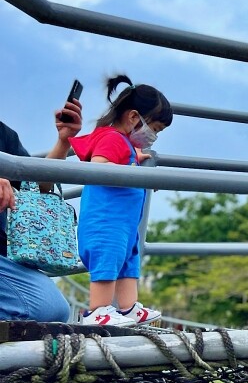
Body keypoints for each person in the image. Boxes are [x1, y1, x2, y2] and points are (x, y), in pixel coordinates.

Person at [70, 74, 172, 326]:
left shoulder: (123, 143)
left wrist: (136, 162)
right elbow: (99, 166)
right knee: (108, 260)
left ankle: (128, 308)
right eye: (154, 129)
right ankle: (98, 311)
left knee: (128, 262)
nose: (153, 136)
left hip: (124, 224)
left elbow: (123, 159)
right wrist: (135, 172)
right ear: (134, 117)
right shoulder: (112, 138)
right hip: (106, 222)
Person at [0, 99, 83, 322]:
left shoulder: (4, 134)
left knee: (54, 310)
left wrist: (64, 141)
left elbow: (35, 186)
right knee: (45, 308)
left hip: (5, 256)